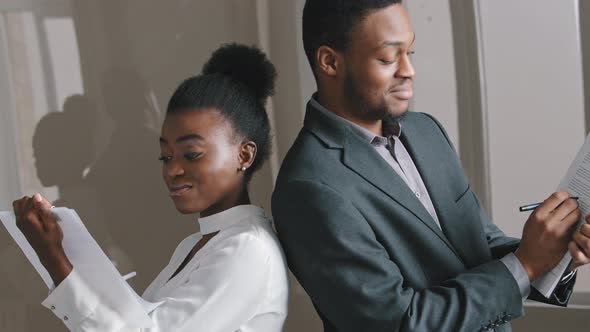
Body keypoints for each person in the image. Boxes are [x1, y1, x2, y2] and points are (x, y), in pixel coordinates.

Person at [271, 1, 590, 331]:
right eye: (388, 57)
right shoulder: (307, 187)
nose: (408, 70)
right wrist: (526, 264)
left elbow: (480, 247)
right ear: (330, 62)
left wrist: (557, 254)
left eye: (410, 52)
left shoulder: (426, 131)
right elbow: (400, 323)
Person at [13, 44, 289, 332]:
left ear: (244, 155)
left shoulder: (246, 249)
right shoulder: (194, 245)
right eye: (165, 157)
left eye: (191, 154)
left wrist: (55, 260)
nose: (172, 170)